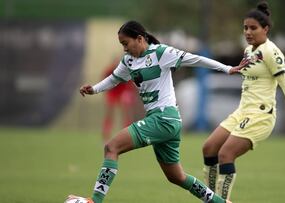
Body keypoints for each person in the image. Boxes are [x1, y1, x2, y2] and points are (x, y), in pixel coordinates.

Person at [67, 20, 242, 203]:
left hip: (164, 118)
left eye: (126, 43)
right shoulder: (128, 61)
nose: (125, 49)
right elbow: (114, 79)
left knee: (112, 147)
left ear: (140, 39)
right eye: (122, 45)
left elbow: (196, 59)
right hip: (165, 121)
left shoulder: (161, 53)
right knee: (177, 177)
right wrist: (93, 89)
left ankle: (94, 200)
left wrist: (226, 68)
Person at [201, 1, 285, 201]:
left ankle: (221, 200)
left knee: (226, 154)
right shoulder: (248, 51)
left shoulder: (272, 52)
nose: (248, 32)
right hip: (242, 112)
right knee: (209, 148)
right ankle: (210, 198)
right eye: (245, 28)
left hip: (261, 115)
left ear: (265, 29)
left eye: (253, 28)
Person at [101, 58, 139, 143]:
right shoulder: (109, 71)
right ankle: (106, 136)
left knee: (127, 113)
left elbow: (129, 85)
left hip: (122, 93)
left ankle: (128, 136)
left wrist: (129, 95)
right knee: (109, 113)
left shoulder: (125, 72)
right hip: (112, 92)